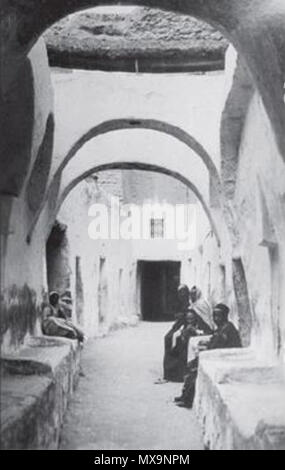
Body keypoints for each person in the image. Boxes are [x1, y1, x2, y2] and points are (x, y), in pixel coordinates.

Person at [175, 303, 241, 408]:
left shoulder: (227, 329)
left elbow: (219, 346)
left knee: (194, 370)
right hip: (218, 355)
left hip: (226, 358)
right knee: (191, 366)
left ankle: (187, 399)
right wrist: (207, 344)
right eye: (214, 316)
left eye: (218, 316)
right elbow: (214, 341)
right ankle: (184, 395)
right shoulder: (222, 327)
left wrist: (205, 350)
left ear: (225, 316)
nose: (215, 319)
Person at [162, 285, 213, 383]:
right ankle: (173, 373)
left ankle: (180, 373)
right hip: (194, 330)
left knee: (181, 343)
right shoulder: (192, 305)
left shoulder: (201, 304)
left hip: (202, 332)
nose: (192, 296)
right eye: (191, 294)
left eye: (194, 294)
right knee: (173, 339)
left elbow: (205, 323)